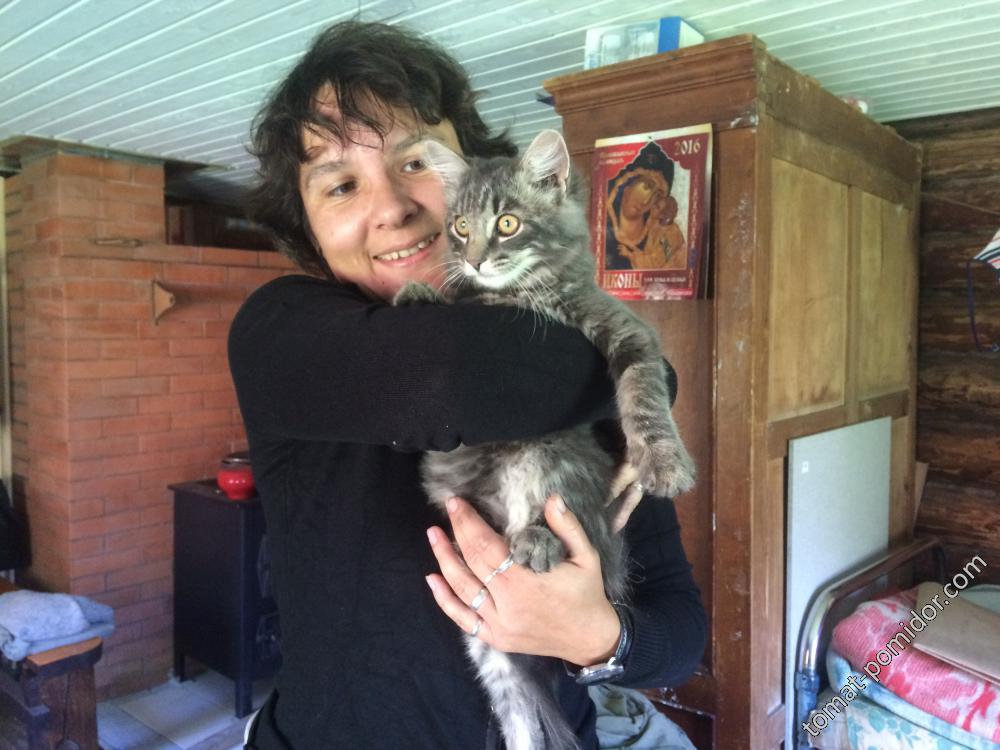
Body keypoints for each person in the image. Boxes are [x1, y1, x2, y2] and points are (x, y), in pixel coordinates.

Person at [228, 19, 706, 750]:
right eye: (342, 184)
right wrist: (639, 363)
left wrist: (597, 636)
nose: (393, 207)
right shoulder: (280, 328)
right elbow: (455, 373)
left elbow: (679, 632)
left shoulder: (573, 350)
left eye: (417, 160)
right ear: (308, 228)